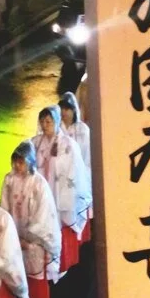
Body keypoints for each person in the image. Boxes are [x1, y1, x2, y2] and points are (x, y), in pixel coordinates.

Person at [0, 141, 60, 298]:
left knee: (34, 279)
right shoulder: (9, 179)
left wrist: (30, 240)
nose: (17, 166)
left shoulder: (39, 184)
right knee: (16, 276)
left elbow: (43, 215)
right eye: (15, 161)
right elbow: (5, 208)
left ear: (30, 161)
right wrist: (10, 236)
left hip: (33, 243)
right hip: (15, 239)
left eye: (21, 161)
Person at [31, 106, 91, 276]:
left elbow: (73, 172)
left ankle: (60, 263)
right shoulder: (35, 142)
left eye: (48, 121)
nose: (44, 125)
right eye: (42, 121)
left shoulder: (68, 145)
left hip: (59, 194)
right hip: (43, 194)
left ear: (56, 122)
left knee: (57, 226)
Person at [58, 92, 93, 245]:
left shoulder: (83, 130)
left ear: (74, 110)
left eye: (68, 109)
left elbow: (87, 158)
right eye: (62, 109)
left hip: (79, 178)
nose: (65, 113)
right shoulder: (57, 130)